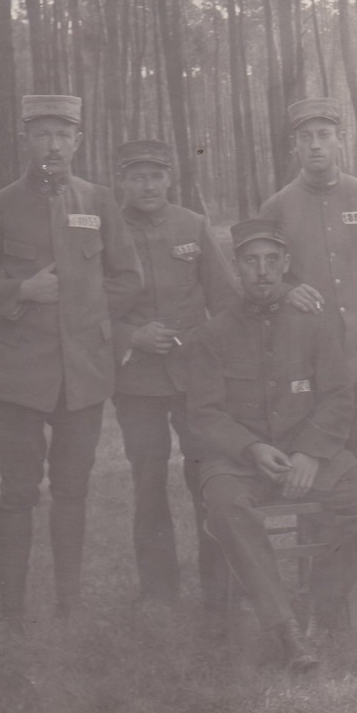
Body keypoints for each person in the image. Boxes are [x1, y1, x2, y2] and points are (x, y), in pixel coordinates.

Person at [0, 95, 143, 648]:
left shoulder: (100, 202)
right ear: (26, 140)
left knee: (72, 491)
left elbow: (127, 280)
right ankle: (11, 614)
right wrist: (23, 291)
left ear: (79, 141)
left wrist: (81, 308)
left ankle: (69, 605)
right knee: (17, 493)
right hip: (21, 380)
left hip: (82, 377)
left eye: (63, 135)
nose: (53, 146)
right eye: (42, 135)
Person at [187, 219, 357, 671]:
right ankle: (284, 629)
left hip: (310, 457)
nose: (261, 271)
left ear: (285, 265)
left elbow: (339, 395)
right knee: (225, 506)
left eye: (271, 261)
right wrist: (250, 449)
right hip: (241, 465)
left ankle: (322, 603)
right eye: (250, 261)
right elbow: (203, 414)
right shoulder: (213, 334)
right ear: (237, 268)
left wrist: (310, 452)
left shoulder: (314, 325)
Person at [260, 98, 357, 606]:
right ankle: (327, 582)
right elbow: (263, 276)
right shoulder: (278, 208)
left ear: (340, 139)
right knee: (322, 468)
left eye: (325, 134)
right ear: (294, 146)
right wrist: (284, 293)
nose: (316, 144)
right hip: (311, 371)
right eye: (306, 137)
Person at [112, 139, 239, 612]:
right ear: (120, 181)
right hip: (136, 382)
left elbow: (225, 301)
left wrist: (214, 353)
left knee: (209, 475)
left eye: (156, 175)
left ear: (170, 178)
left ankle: (220, 583)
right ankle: (159, 592)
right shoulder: (107, 231)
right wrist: (130, 335)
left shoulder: (193, 225)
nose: (148, 185)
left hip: (194, 380)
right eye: (137, 176)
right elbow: (86, 310)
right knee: (147, 482)